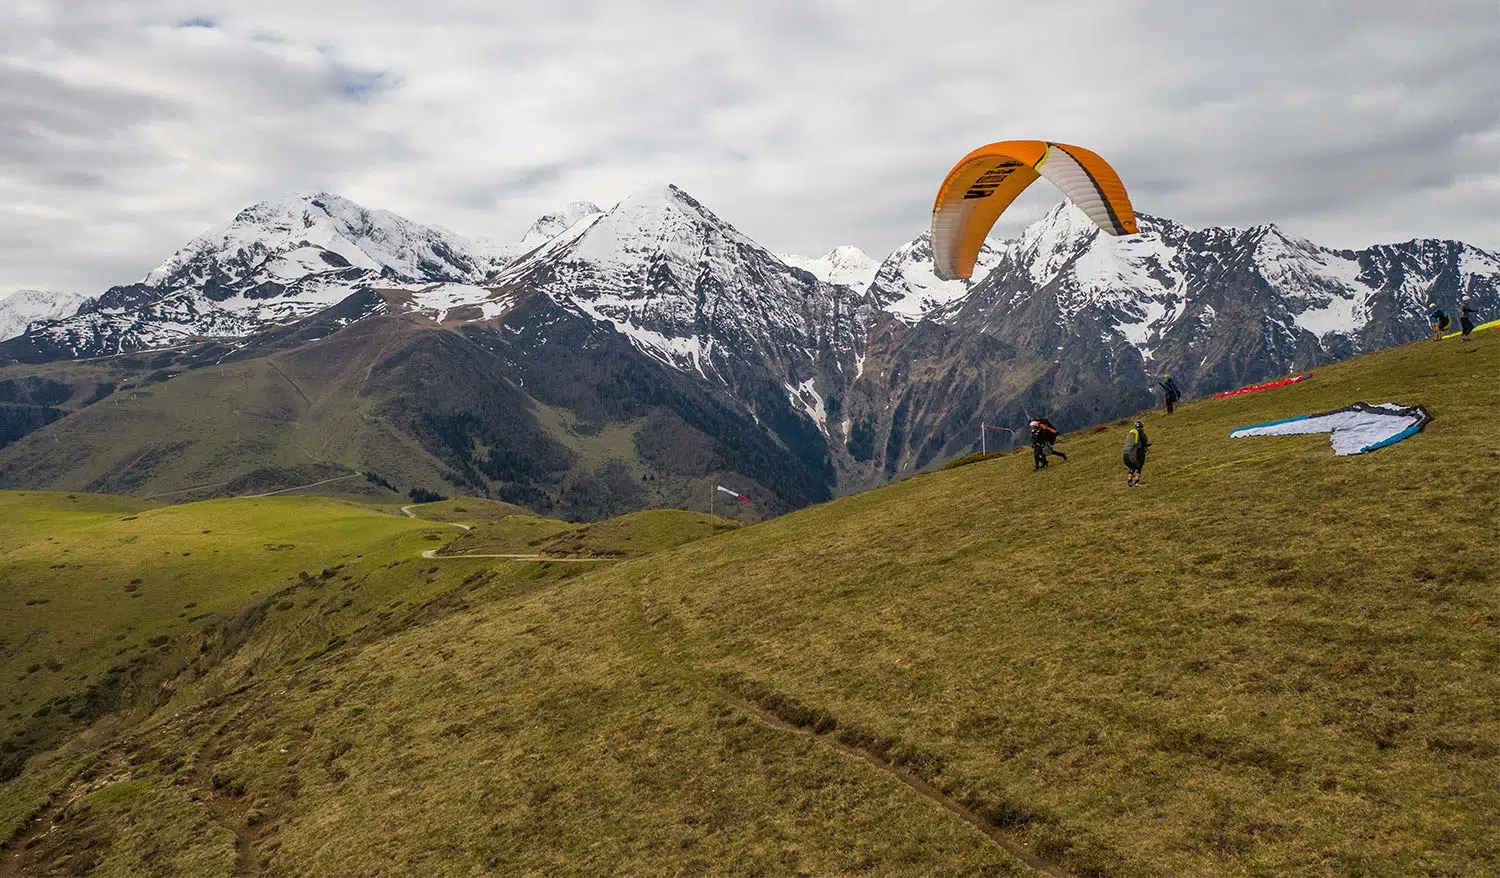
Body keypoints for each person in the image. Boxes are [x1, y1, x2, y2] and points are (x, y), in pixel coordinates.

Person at [1122, 420, 1150, 488]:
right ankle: (1137, 482)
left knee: (1132, 467)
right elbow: (1144, 443)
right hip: (1138, 452)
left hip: (1127, 454)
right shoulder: (1141, 434)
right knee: (1139, 467)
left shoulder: (1132, 433)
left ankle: (1129, 483)